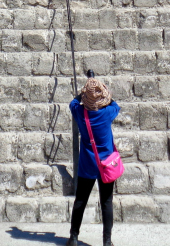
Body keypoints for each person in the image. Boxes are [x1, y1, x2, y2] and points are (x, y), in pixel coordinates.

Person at [67, 74, 120, 246]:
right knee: (106, 202)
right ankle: (107, 241)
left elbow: (73, 103)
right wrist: (101, 91)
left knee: (80, 200)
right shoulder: (107, 113)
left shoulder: (80, 113)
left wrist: (85, 92)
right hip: (107, 165)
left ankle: (74, 238)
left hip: (87, 165)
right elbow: (115, 104)